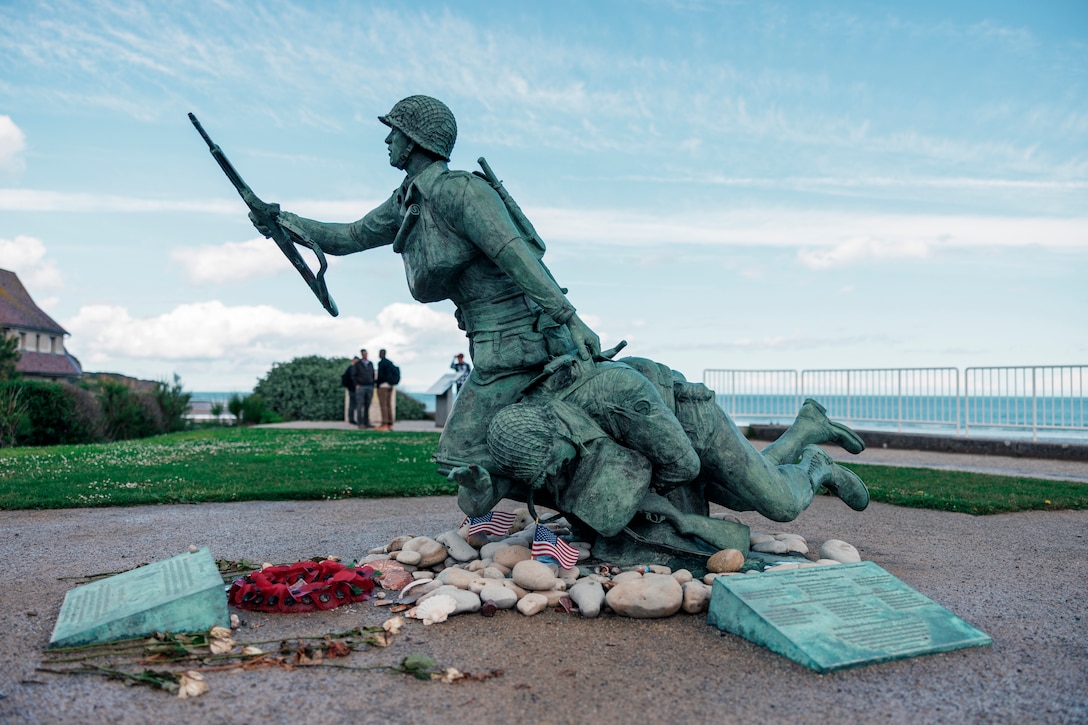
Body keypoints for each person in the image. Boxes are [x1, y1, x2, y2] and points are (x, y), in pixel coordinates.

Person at [249, 95, 599, 471]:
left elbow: (519, 257)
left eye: (394, 133)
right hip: (493, 346)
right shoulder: (405, 200)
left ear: (413, 141)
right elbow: (348, 237)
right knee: (482, 452)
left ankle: (534, 527)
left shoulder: (462, 192)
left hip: (526, 344)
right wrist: (282, 221)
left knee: (473, 453)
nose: (387, 142)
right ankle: (511, 523)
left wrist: (571, 320)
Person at [452, 353, 868, 553]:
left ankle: (817, 463)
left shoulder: (620, 396)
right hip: (658, 450)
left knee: (780, 503)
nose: (560, 475)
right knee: (744, 496)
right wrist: (477, 490)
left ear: (559, 431)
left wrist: (635, 498)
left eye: (559, 463)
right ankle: (808, 425)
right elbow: (480, 500)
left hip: (692, 430)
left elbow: (684, 464)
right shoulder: (526, 439)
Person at [375, 348, 400, 430]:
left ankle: (384, 423)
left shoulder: (382, 363)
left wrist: (377, 383)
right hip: (390, 386)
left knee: (383, 405)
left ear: (381, 354)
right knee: (388, 404)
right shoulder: (390, 363)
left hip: (383, 386)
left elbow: (381, 376)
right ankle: (390, 423)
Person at [353, 349, 375, 428]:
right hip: (361, 386)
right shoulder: (358, 364)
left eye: (366, 354)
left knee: (367, 405)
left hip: (369, 386)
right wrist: (356, 384)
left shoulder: (370, 364)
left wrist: (373, 383)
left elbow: (372, 374)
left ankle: (366, 422)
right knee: (360, 405)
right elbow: (354, 375)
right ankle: (360, 423)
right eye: (364, 354)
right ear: (362, 355)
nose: (365, 355)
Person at [341, 355, 360, 424]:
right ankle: (351, 419)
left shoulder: (350, 368)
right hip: (353, 388)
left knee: (352, 404)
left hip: (351, 388)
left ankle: (351, 419)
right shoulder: (352, 368)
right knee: (353, 404)